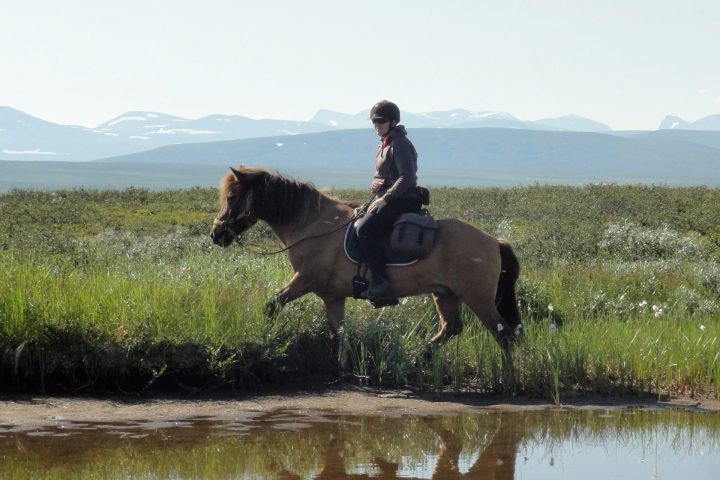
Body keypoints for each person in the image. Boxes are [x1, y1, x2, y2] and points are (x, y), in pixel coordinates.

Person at [355, 100, 422, 302]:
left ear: (392, 122)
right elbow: (387, 175)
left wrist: (386, 198)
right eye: (374, 122)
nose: (377, 125)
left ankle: (382, 283)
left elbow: (406, 177)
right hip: (390, 197)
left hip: (403, 199)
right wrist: (377, 184)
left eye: (381, 121)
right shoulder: (386, 143)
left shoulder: (399, 144)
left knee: (364, 230)